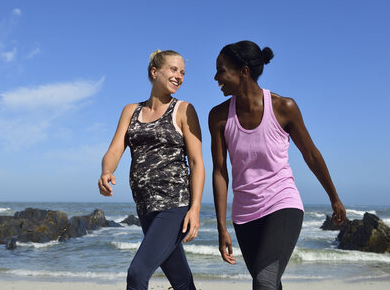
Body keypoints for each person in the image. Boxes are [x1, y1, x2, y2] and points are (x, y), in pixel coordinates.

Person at [208, 40, 346, 290]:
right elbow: (220, 171)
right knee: (270, 283)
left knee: (264, 282)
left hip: (282, 203)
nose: (216, 77)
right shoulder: (218, 116)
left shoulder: (284, 108)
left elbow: (311, 154)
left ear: (243, 71)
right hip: (244, 214)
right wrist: (222, 227)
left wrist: (334, 197)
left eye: (222, 70)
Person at [98, 50, 205, 290]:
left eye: (183, 72)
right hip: (145, 206)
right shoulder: (131, 111)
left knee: (137, 274)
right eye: (173, 69)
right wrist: (106, 171)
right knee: (180, 279)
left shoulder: (184, 110)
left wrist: (195, 209)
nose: (179, 76)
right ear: (154, 72)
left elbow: (197, 162)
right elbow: (115, 150)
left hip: (174, 205)